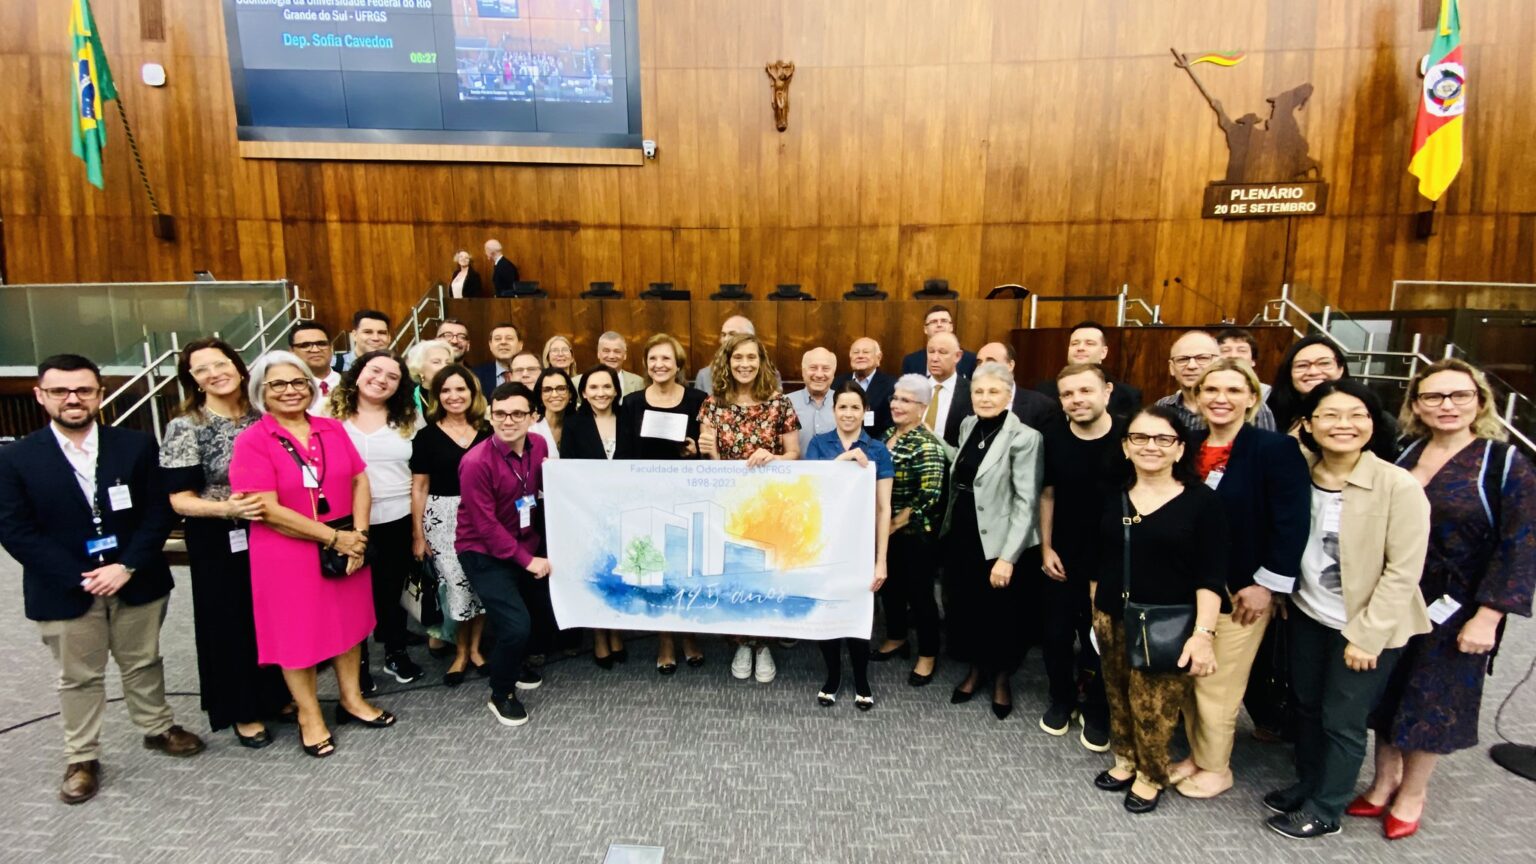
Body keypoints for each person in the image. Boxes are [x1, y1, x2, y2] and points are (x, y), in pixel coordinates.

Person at [0, 354, 204, 804]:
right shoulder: (15, 458)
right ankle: (82, 756)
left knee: (143, 660)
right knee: (79, 676)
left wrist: (125, 566)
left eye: (84, 390)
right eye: (60, 391)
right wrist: (83, 576)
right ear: (40, 395)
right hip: (65, 587)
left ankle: (156, 727)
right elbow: (15, 531)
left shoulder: (135, 446)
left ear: (99, 393)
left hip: (135, 575)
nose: (73, 399)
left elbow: (158, 511)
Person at [1355, 359, 1535, 840]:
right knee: (1388, 687)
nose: (1446, 405)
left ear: (1479, 401)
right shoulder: (1405, 452)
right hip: (1398, 591)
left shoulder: (1503, 463)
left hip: (1461, 604)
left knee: (1434, 697)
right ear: (1416, 405)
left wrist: (1489, 616)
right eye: (1433, 396)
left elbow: (1520, 543)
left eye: (1458, 395)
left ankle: (1412, 793)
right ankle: (1382, 781)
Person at [1263, 378, 1431, 840]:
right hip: (1308, 613)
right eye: (1330, 415)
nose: (1343, 424)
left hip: (1365, 624)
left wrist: (1367, 634)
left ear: (1372, 424)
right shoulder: (1302, 475)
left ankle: (1327, 807)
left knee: (1342, 718)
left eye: (1356, 415)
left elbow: (1404, 571)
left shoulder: (1397, 484)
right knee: (1307, 706)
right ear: (1309, 425)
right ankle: (1311, 783)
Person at [231, 350, 393, 759]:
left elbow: (360, 480)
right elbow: (266, 508)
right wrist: (333, 539)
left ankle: (351, 699)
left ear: (311, 386)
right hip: (286, 551)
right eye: (278, 385)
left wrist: (357, 535)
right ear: (260, 394)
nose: (290, 391)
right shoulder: (253, 440)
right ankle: (309, 714)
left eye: (298, 382)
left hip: (345, 540)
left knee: (350, 625)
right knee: (296, 635)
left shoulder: (331, 429)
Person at [1167, 359, 1309, 799]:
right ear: (1197, 397)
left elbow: (1292, 521)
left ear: (1252, 398)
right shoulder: (1188, 445)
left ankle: (1216, 767)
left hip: (1242, 589)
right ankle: (1196, 754)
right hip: (1187, 585)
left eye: (1233, 390)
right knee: (1189, 677)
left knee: (1218, 682)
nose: (1220, 399)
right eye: (1211, 390)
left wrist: (1267, 584)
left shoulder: (1273, 449)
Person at [1089, 406, 1224, 814]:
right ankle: (1125, 760)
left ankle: (1151, 775)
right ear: (1126, 447)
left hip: (1167, 621)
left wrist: (1203, 635)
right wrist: (1094, 612)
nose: (1151, 446)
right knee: (1117, 693)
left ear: (1180, 449)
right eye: (1140, 438)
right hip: (1111, 614)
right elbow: (1098, 559)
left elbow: (1211, 575)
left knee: (1155, 706)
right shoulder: (1112, 496)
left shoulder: (1203, 503)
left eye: (1163, 439)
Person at [160, 339, 290, 747]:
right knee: (228, 621)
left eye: (221, 363)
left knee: (270, 614)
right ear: (193, 380)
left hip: (270, 528)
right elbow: (179, 499)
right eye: (202, 369)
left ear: (238, 366)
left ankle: (273, 693)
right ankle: (240, 709)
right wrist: (226, 509)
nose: (214, 373)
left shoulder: (264, 416)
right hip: (218, 535)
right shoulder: (186, 425)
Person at [941, 362, 1044, 721]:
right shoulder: (969, 425)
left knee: (1002, 615)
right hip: (965, 532)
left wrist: (1008, 558)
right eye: (979, 392)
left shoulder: (1025, 437)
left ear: (1008, 394)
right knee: (969, 608)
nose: (985, 398)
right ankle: (974, 670)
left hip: (1000, 539)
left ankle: (1001, 679)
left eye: (993, 392)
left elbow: (1027, 501)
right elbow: (965, 467)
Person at [698, 332, 802, 683]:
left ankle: (764, 644)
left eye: (751, 358)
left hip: (768, 503)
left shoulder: (779, 403)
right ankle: (742, 641)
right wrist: (710, 454)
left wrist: (773, 456)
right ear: (727, 362)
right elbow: (708, 462)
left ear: (762, 362)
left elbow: (794, 454)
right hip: (727, 503)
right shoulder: (712, 405)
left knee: (766, 572)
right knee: (735, 573)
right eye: (737, 358)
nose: (744, 364)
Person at [1038, 364, 1125, 752]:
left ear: (1106, 391)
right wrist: (1045, 547)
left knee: (1102, 639)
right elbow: (1048, 495)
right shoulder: (1052, 437)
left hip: (1114, 558)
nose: (1077, 400)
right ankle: (1062, 699)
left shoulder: (1130, 436)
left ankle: (1098, 709)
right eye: (1069, 394)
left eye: (1085, 391)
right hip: (1063, 554)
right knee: (1055, 634)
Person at [327, 350, 424, 689]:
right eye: (375, 370)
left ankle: (396, 653)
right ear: (358, 371)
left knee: (391, 591)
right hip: (345, 521)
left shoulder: (410, 418)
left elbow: (419, 477)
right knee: (352, 595)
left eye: (392, 376)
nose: (381, 379)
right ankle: (359, 664)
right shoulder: (329, 415)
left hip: (396, 516)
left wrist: (417, 531)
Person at [456, 382, 551, 726]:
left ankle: (513, 662)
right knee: (515, 626)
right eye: (500, 414)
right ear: (490, 416)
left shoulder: (538, 445)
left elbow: (548, 490)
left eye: (517, 413)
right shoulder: (475, 462)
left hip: (525, 541)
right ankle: (501, 693)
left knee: (534, 615)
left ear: (532, 416)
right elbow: (486, 526)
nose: (508, 420)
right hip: (483, 551)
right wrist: (527, 560)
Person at [620, 333, 709, 671]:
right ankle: (665, 639)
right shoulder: (631, 403)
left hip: (688, 495)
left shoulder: (699, 399)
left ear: (678, 365)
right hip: (647, 497)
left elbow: (708, 450)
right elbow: (626, 456)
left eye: (666, 359)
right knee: (656, 570)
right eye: (653, 359)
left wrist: (694, 450)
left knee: (687, 569)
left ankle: (689, 635)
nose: (659, 365)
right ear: (645, 364)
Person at [805, 383, 893, 710]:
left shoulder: (878, 449)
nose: (848, 414)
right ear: (833, 410)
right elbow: (810, 493)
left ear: (864, 411)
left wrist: (880, 559)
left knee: (857, 613)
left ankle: (861, 678)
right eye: (842, 407)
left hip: (860, 546)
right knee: (827, 610)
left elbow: (883, 508)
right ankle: (832, 675)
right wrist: (843, 461)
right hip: (824, 544)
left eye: (855, 407)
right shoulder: (818, 444)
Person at [409, 365, 492, 687]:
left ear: (472, 394)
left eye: (461, 390)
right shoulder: (426, 436)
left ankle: (475, 649)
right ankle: (459, 651)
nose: (454, 396)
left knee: (480, 582)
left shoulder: (487, 432)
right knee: (456, 585)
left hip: (482, 515)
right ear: (436, 396)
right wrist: (418, 535)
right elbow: (419, 487)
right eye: (446, 391)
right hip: (441, 519)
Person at [874, 374, 949, 686]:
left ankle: (928, 655)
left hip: (915, 534)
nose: (896, 405)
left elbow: (928, 497)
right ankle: (896, 637)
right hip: (885, 530)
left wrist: (891, 525)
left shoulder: (927, 445)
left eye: (906, 400)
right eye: (895, 398)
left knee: (920, 596)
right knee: (890, 587)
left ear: (922, 407)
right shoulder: (887, 434)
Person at [561, 366, 635, 667]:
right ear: (584, 393)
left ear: (616, 390)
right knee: (595, 574)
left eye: (607, 386)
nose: (601, 393)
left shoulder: (629, 421)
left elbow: (639, 463)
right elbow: (568, 468)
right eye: (594, 387)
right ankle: (599, 636)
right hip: (588, 512)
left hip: (624, 510)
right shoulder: (574, 424)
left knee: (619, 573)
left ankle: (616, 631)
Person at [1156, 330, 1276, 432]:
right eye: (1182, 359)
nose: (1191, 366)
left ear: (1218, 362)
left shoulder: (1251, 407)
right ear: (1171, 367)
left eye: (1202, 358)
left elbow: (1268, 454)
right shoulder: (1163, 406)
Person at [1036, 321, 1142, 418]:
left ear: (1103, 352)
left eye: (1089, 343)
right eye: (1074, 343)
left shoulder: (1129, 395)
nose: (1080, 348)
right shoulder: (1043, 392)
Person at [975, 341, 1059, 432]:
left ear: (1010, 365)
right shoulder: (968, 402)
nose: (982, 367)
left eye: (990, 361)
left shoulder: (1041, 406)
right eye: (979, 362)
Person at [694, 315, 778, 395]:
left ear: (750, 337)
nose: (725, 339)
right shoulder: (704, 375)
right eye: (723, 335)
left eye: (732, 334)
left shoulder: (770, 374)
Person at [833, 337, 896, 437]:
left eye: (866, 352)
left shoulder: (892, 386)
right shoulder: (836, 383)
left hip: (875, 446)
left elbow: (892, 425)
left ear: (878, 358)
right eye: (856, 352)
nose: (860, 356)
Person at [900, 305, 978, 377]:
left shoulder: (970, 360)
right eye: (934, 322)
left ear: (951, 327)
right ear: (925, 329)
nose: (939, 325)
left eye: (944, 321)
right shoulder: (911, 361)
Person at [924, 332, 971, 446]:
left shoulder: (971, 391)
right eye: (931, 351)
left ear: (958, 356)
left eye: (942, 352)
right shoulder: (913, 387)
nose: (934, 358)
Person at [788, 347, 837, 453]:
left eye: (825, 369)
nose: (819, 374)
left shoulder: (845, 403)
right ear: (803, 372)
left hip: (835, 469)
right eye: (813, 368)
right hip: (796, 469)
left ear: (833, 373)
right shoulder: (785, 403)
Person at [288, 320, 342, 412]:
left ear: (331, 348)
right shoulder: (287, 392)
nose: (315, 350)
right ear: (291, 352)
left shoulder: (353, 384)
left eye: (321, 344)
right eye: (305, 345)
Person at [529, 367, 576, 456]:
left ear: (570, 393)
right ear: (540, 396)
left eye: (561, 389)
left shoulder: (581, 427)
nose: (554, 395)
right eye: (547, 390)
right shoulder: (531, 428)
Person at [581, 331, 645, 396]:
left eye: (617, 351)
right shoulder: (578, 382)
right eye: (606, 351)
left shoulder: (639, 383)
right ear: (598, 353)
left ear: (625, 355)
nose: (611, 356)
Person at [404, 339, 453, 419]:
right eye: (436, 362)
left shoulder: (462, 395)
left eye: (448, 363)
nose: (445, 367)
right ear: (419, 367)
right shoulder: (408, 400)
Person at [473, 322, 524, 397]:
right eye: (498, 339)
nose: (503, 342)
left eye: (509, 338)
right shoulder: (476, 375)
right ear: (490, 345)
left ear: (520, 345)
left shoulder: (532, 373)